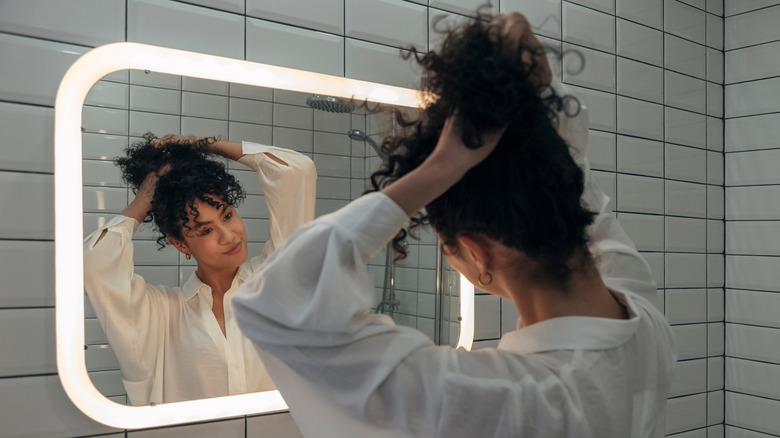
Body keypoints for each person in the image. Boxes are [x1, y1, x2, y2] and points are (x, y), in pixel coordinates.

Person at [232, 12, 676, 438]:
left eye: (447, 247)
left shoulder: (497, 403)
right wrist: (531, 102)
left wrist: (439, 168)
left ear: (478, 252)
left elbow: (273, 305)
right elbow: (574, 181)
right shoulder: (643, 318)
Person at [83, 134, 316, 405]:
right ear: (181, 244)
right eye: (205, 230)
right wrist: (147, 197)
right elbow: (94, 264)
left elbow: (296, 170)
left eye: (227, 216)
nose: (229, 236)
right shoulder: (161, 315)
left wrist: (200, 144)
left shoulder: (277, 280)